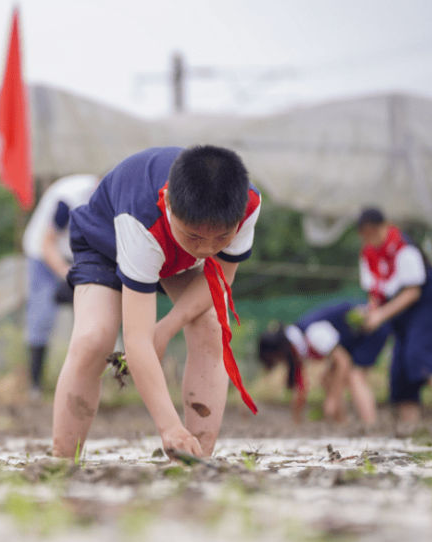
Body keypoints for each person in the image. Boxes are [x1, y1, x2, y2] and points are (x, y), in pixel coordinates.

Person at [52, 146, 260, 460]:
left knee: (211, 327)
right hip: (106, 242)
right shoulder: (142, 217)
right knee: (94, 338)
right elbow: (136, 339)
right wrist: (169, 427)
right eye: (195, 237)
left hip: (173, 254)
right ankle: (62, 459)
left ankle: (196, 457)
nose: (206, 250)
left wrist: (165, 330)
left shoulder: (247, 204)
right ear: (169, 205)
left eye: (221, 238)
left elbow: (220, 279)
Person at [357, 207, 432, 424]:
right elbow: (375, 294)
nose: (371, 238)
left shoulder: (404, 249)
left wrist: (380, 316)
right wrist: (370, 312)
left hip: (426, 308)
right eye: (365, 234)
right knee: (400, 372)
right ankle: (412, 433)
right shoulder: (369, 256)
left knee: (422, 359)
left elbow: (412, 292)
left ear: (384, 226)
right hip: (400, 315)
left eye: (374, 231)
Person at [22, 174, 98, 397]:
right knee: (42, 314)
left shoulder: (111, 201)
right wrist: (68, 275)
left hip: (75, 255)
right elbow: (48, 244)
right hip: (43, 256)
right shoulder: (70, 199)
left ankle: (83, 383)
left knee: (88, 317)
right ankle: (35, 385)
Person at [258, 301, 389, 426]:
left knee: (355, 377)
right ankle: (342, 423)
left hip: (371, 326)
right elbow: (300, 387)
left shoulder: (313, 335)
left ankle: (370, 423)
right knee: (327, 379)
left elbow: (343, 362)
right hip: (354, 338)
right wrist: (296, 420)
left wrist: (332, 399)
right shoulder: (297, 341)